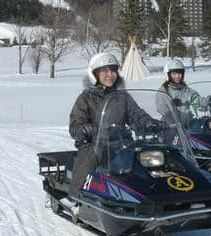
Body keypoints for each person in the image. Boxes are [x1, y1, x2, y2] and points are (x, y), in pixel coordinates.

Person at [68, 52, 162, 199]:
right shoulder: (86, 97)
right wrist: (86, 129)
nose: (110, 75)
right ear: (95, 74)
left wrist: (148, 122)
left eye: (113, 70)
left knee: (144, 159)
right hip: (94, 143)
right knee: (89, 159)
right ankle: (76, 197)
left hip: (120, 143)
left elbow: (136, 115)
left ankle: (149, 192)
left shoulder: (122, 96)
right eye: (104, 71)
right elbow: (75, 125)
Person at [157, 59, 211, 127]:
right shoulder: (163, 92)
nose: (177, 76)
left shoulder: (186, 91)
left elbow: (197, 102)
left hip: (187, 128)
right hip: (171, 128)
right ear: (168, 74)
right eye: (174, 73)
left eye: (180, 73)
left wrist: (208, 100)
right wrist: (173, 106)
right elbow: (163, 111)